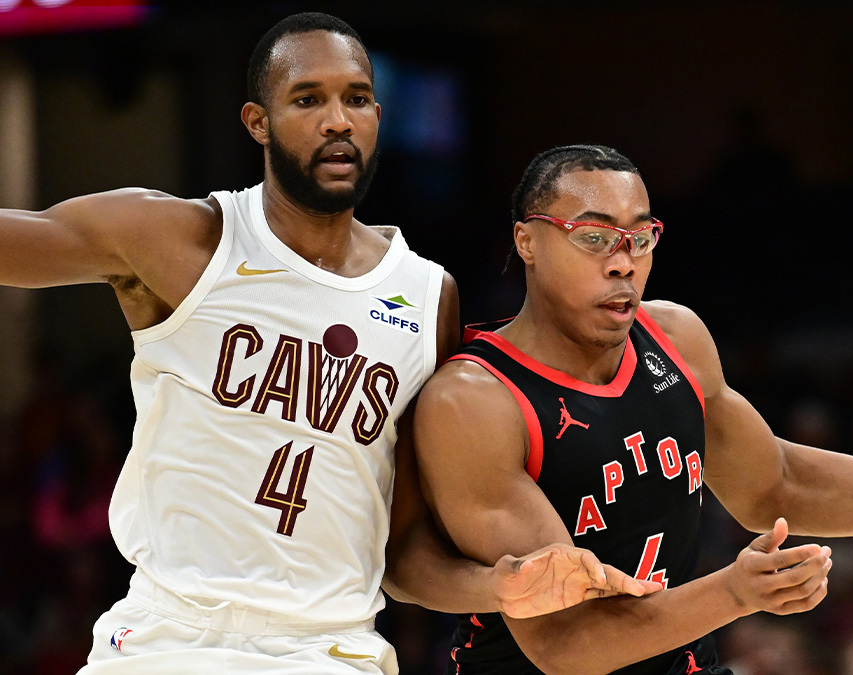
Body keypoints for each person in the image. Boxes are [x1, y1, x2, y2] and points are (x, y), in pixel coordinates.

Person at [0, 16, 655, 675]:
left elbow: (401, 553)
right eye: (308, 98)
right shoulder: (175, 238)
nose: (338, 120)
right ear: (257, 122)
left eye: (357, 98)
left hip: (330, 650)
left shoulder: (429, 298)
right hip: (167, 641)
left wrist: (499, 584)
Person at [413, 144, 853, 675]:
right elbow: (563, 642)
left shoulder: (677, 338)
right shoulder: (476, 400)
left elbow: (778, 483)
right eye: (596, 237)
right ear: (528, 241)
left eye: (640, 237)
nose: (623, 260)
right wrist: (733, 591)